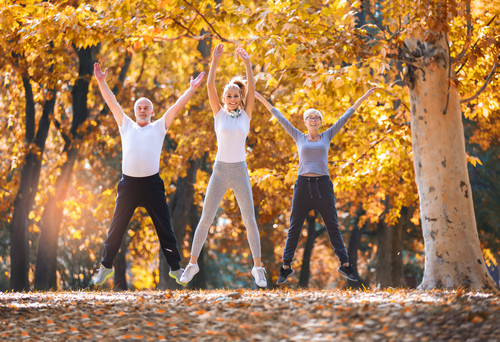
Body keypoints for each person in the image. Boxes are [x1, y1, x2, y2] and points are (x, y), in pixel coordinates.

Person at [92, 62, 205, 286]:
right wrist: (101, 82)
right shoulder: (126, 125)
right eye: (139, 108)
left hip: (152, 185)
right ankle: (105, 266)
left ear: (152, 112)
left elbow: (176, 107)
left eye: (146, 108)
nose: (142, 110)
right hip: (129, 185)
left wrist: (191, 89)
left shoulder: (159, 126)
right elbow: (112, 102)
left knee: (164, 227)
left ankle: (175, 267)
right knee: (117, 226)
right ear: (135, 112)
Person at [254, 87, 377, 284]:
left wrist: (364, 97)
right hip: (303, 186)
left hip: (323, 187)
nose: (313, 120)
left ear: (320, 122)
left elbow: (346, 116)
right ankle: (286, 267)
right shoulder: (298, 136)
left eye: (316, 118)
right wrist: (259, 96)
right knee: (294, 227)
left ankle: (345, 265)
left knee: (333, 227)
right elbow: (278, 116)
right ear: (305, 122)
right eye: (310, 117)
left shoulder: (327, 136)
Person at [179, 44, 267, 288]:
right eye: (228, 96)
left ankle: (258, 268)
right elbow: (209, 86)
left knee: (249, 219)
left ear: (240, 98)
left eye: (235, 96)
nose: (230, 98)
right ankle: (192, 264)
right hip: (219, 171)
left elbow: (252, 88)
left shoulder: (246, 115)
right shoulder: (218, 114)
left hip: (239, 170)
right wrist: (215, 61)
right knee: (206, 217)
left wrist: (248, 63)